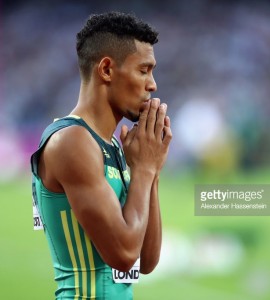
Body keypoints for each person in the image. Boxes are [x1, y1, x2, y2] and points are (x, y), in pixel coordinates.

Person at [30, 11, 172, 300]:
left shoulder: (114, 146)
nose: (153, 84)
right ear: (106, 69)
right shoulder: (71, 141)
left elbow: (146, 260)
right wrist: (144, 169)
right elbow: (122, 254)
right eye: (144, 70)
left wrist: (152, 170)